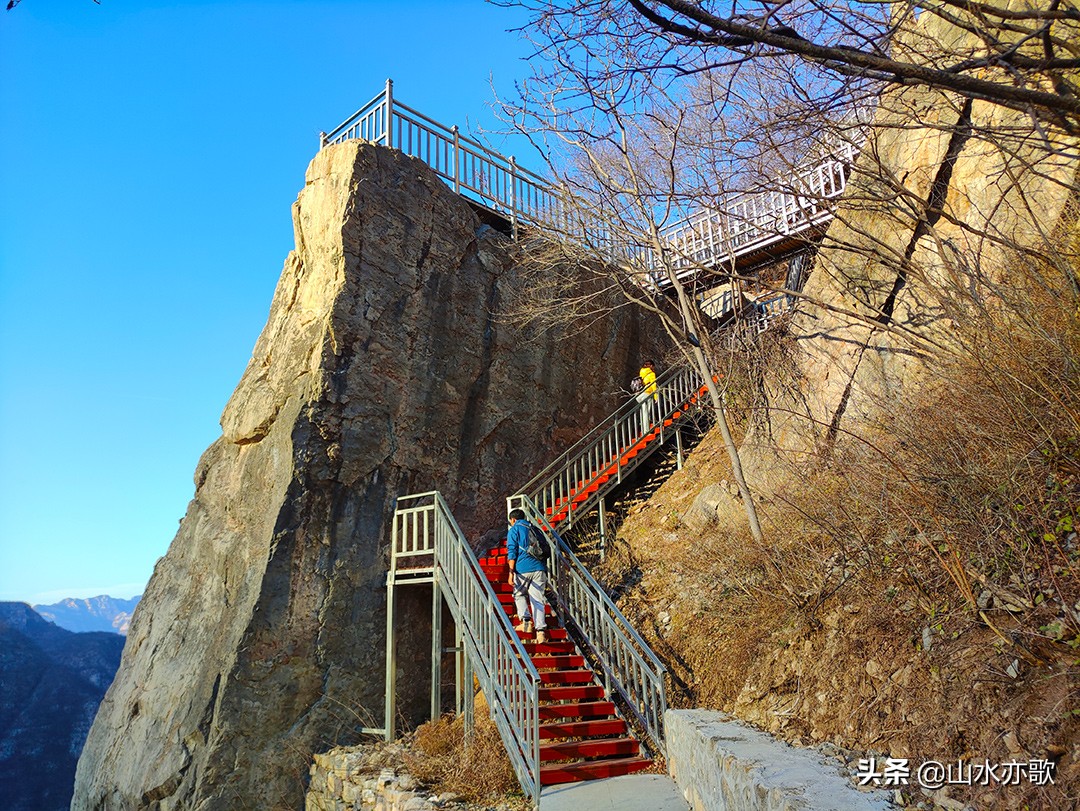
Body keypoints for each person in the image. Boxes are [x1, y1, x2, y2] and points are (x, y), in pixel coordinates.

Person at [506, 508, 548, 645]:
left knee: (519, 594)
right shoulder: (535, 529)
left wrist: (511, 572)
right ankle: (541, 632)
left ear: (513, 520)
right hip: (539, 568)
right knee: (537, 599)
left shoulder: (514, 530)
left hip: (522, 569)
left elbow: (512, 551)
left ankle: (526, 622)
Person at [636, 360, 658, 436]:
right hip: (647, 393)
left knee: (643, 412)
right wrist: (656, 397)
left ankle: (643, 429)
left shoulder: (642, 371)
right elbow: (653, 385)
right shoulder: (651, 374)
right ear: (651, 366)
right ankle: (646, 431)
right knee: (646, 413)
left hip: (640, 395)